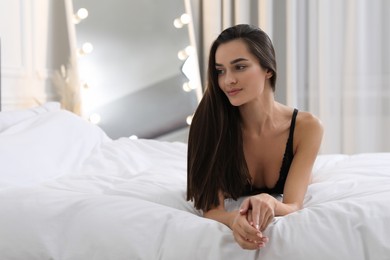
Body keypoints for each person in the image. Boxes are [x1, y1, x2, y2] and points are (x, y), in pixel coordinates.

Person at [186, 24, 323, 250]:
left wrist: (269, 201)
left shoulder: (307, 128)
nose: (228, 80)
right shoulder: (210, 123)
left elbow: (293, 204)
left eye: (239, 67)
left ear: (267, 68)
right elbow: (212, 209)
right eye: (220, 71)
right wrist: (233, 220)